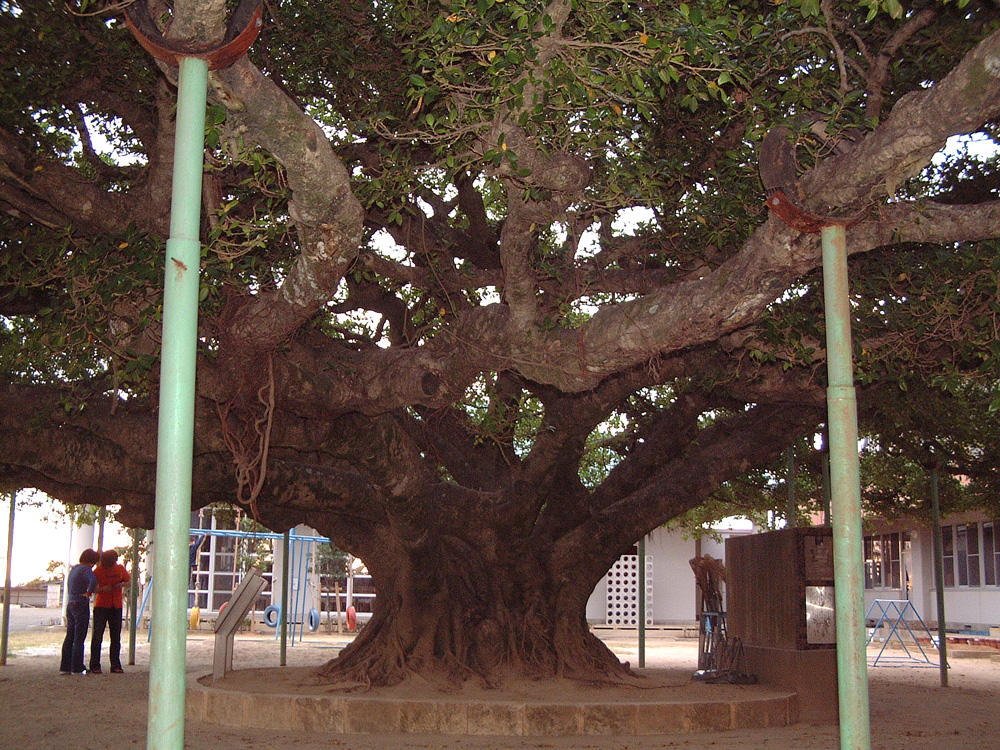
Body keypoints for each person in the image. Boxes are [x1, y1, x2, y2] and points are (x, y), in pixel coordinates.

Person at [89, 548, 131, 674]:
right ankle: (95, 665)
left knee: (116, 637)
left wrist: (121, 585)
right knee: (97, 636)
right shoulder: (97, 571)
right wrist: (102, 589)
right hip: (101, 605)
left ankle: (115, 665)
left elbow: (129, 581)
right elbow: (91, 589)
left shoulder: (120, 569)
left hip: (116, 606)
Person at [59, 548, 100, 675]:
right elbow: (93, 581)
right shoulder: (85, 570)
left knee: (69, 636)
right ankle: (77, 666)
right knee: (79, 637)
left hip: (71, 603)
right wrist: (89, 593)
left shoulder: (74, 569)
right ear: (91, 562)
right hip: (80, 603)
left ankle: (65, 667)